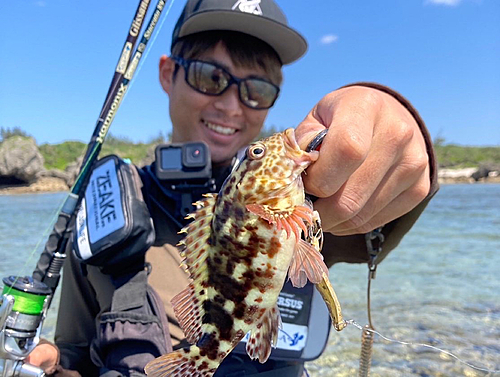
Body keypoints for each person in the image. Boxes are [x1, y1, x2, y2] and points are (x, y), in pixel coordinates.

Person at [27, 0, 438, 375]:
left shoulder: (310, 202)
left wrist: (396, 127)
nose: (230, 104)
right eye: (210, 77)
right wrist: (52, 368)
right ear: (168, 73)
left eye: (257, 90)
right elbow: (75, 352)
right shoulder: (108, 208)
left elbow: (383, 214)